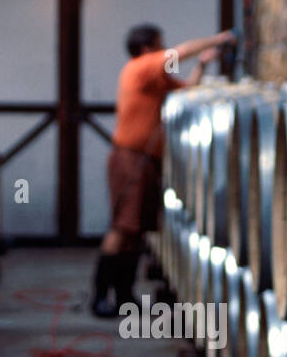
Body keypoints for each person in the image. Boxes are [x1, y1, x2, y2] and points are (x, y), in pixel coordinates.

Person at [91, 23, 237, 317]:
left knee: (136, 230)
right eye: (159, 44)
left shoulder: (154, 76)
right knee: (122, 227)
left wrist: (203, 65)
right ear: (147, 48)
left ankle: (124, 296)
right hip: (130, 158)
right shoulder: (142, 66)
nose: (163, 49)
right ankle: (99, 296)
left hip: (144, 160)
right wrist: (219, 39)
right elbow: (179, 53)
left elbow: (187, 88)